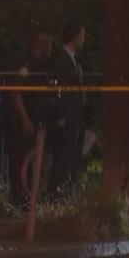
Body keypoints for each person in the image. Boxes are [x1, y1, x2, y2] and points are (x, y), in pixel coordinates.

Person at [8, 31, 55, 208]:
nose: (51, 50)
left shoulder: (39, 66)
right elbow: (16, 92)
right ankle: (20, 200)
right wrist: (25, 118)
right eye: (49, 45)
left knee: (31, 158)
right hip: (22, 123)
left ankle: (29, 200)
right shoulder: (25, 63)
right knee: (21, 159)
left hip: (33, 120)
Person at [49, 21, 88, 198]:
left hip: (76, 116)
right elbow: (57, 89)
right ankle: (54, 194)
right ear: (74, 37)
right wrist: (60, 114)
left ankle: (65, 192)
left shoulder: (74, 59)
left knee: (72, 156)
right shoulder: (60, 60)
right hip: (67, 117)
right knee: (63, 156)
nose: (83, 39)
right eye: (81, 35)